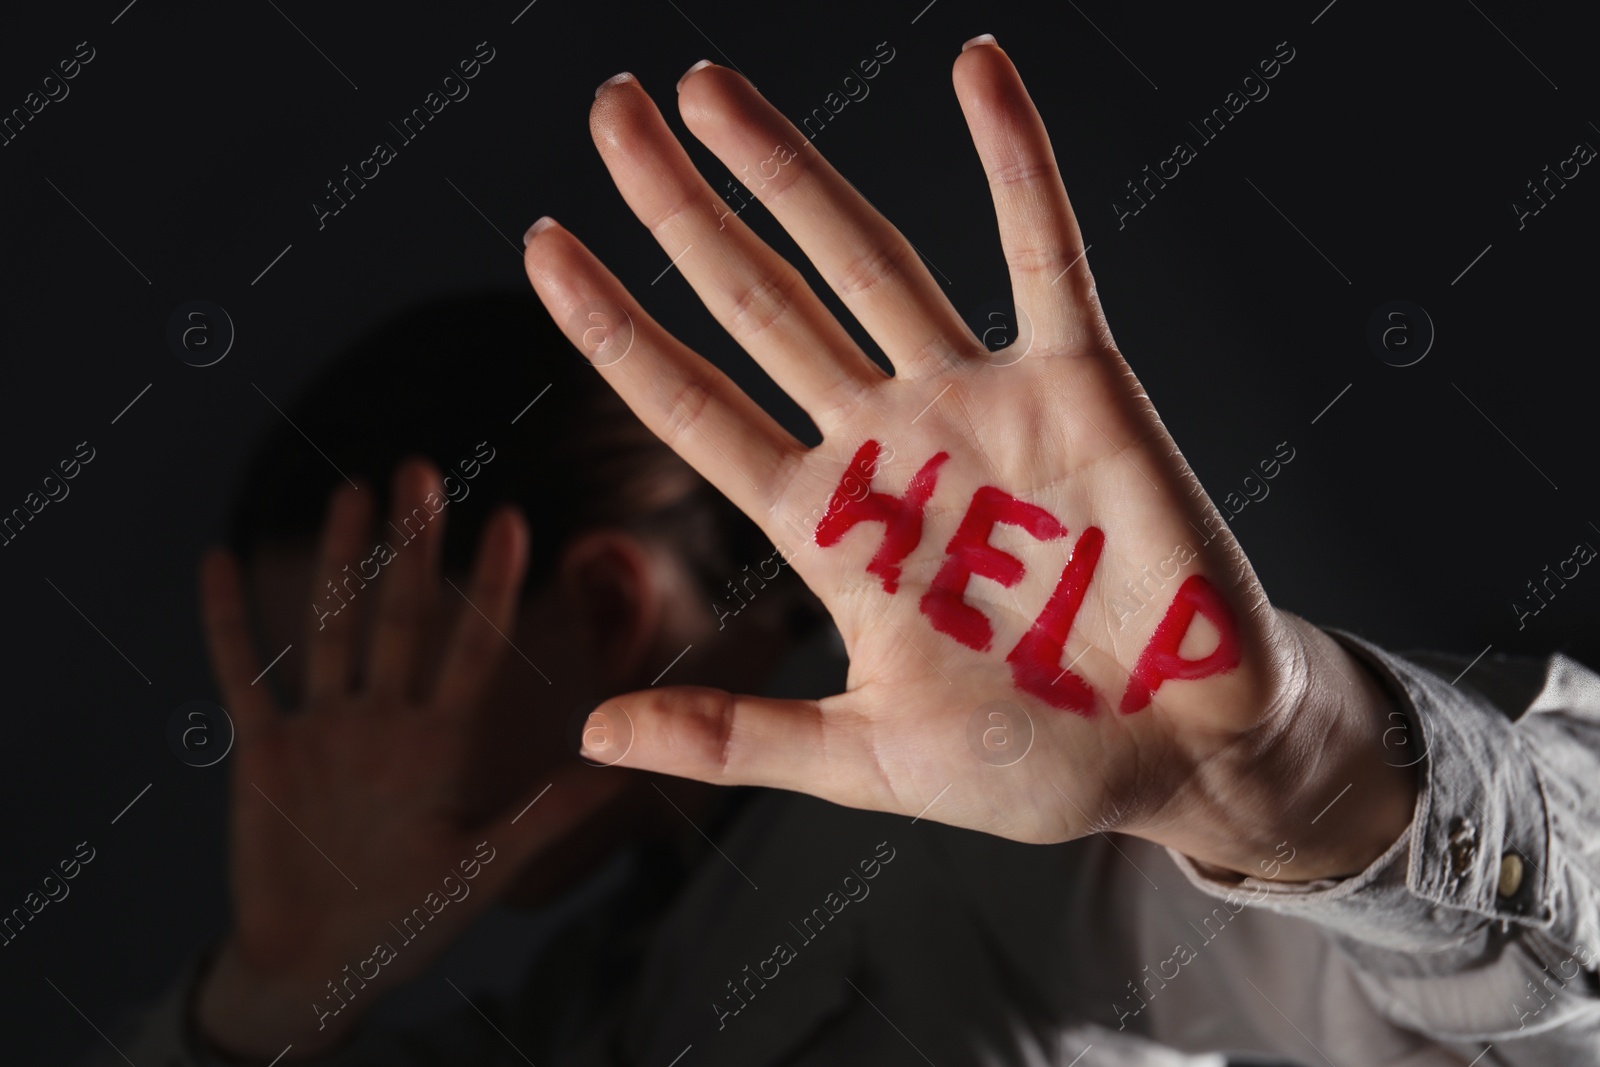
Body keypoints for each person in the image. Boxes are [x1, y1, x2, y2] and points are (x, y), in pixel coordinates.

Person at [96, 36, 1599, 1067]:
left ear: (608, 596)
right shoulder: (586, 998)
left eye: (368, 674)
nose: (320, 775)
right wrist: (261, 1005)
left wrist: (1293, 780)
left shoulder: (965, 842)